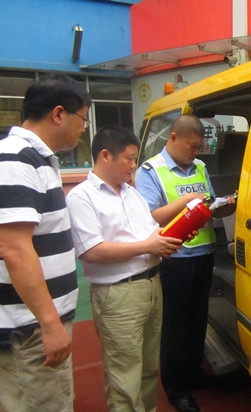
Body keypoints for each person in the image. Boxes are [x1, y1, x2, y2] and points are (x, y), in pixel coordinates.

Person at [66, 125, 185, 412]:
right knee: (124, 377)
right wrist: (148, 247)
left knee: (147, 369)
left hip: (151, 285)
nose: (134, 166)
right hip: (118, 295)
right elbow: (92, 251)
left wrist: (165, 240)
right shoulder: (82, 197)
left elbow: (148, 232)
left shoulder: (131, 194)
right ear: (105, 156)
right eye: (129, 159)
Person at [0, 73, 91, 412]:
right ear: (58, 114)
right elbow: (14, 249)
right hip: (30, 329)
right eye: (82, 119)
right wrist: (49, 324)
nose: (83, 128)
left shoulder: (38, 159)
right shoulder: (17, 159)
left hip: (36, 322)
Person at [135, 114, 236, 412]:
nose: (195, 152)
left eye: (199, 147)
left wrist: (222, 206)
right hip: (173, 259)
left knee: (197, 321)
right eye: (192, 146)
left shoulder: (200, 167)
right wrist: (186, 201)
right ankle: (177, 389)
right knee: (175, 327)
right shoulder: (151, 171)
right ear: (174, 138)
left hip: (203, 254)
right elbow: (150, 217)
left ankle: (193, 373)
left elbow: (207, 206)